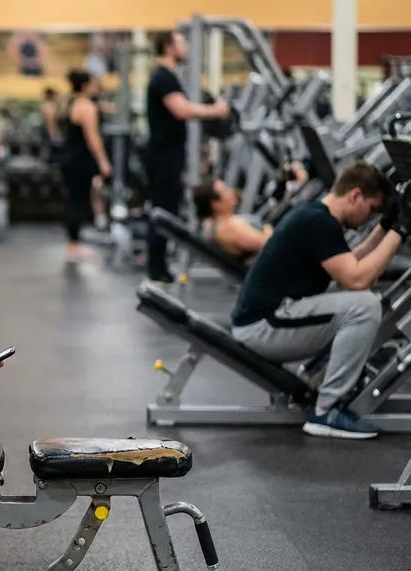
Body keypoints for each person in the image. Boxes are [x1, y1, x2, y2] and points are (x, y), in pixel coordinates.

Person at [231, 162, 403, 439]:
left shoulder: (314, 215)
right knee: (364, 304)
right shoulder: (318, 222)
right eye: (372, 210)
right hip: (264, 327)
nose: (370, 218)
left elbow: (351, 261)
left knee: (357, 301)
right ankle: (326, 410)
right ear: (355, 195)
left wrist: (385, 227)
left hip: (264, 321)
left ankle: (327, 393)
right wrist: (401, 231)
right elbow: (357, 279)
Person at [145, 31, 231, 283]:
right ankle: (156, 268)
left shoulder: (167, 75)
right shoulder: (163, 76)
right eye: (182, 43)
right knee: (163, 208)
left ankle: (159, 266)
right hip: (163, 154)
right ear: (169, 47)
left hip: (169, 152)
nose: (187, 48)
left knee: (168, 207)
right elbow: (181, 110)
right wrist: (215, 110)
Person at [60, 70, 112, 263]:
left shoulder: (72, 103)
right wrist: (103, 161)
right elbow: (93, 138)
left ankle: (74, 243)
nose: (96, 87)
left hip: (71, 159)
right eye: (93, 84)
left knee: (76, 199)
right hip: (80, 160)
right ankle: (74, 246)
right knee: (78, 200)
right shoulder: (86, 107)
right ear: (84, 86)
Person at [191, 179, 273, 263]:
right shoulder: (227, 228)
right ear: (215, 205)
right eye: (225, 191)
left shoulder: (215, 222)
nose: (231, 191)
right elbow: (268, 244)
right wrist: (267, 227)